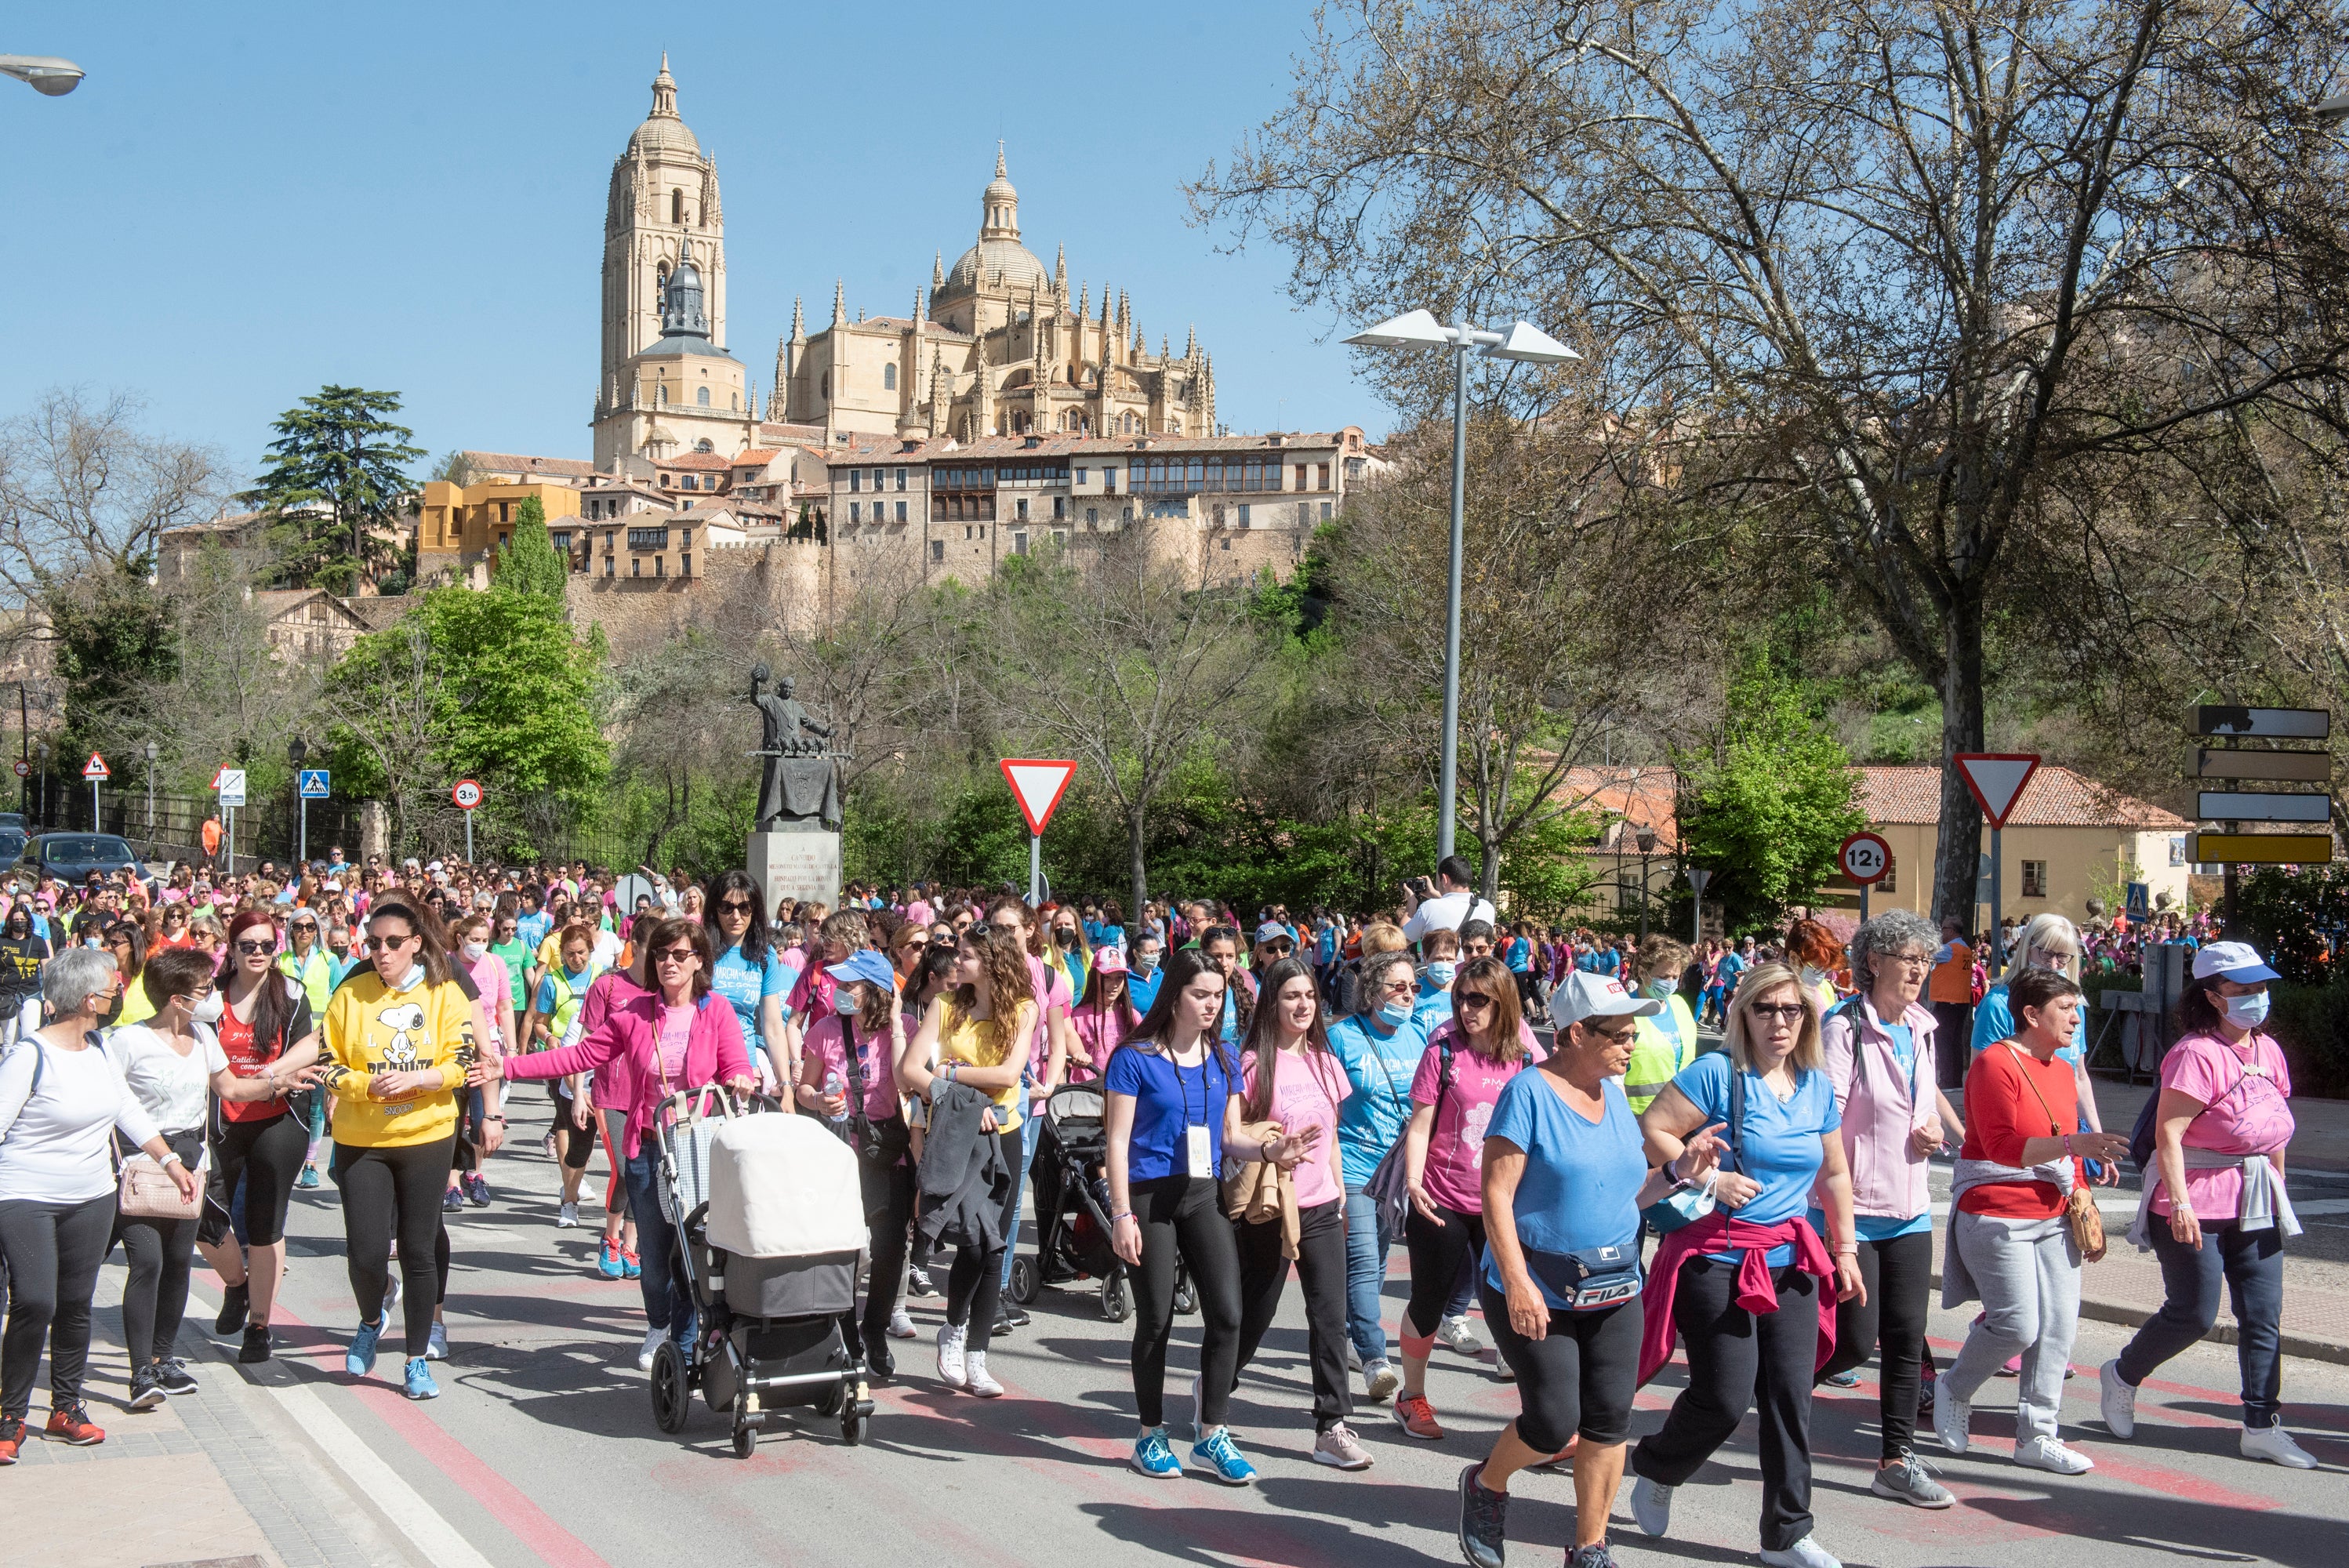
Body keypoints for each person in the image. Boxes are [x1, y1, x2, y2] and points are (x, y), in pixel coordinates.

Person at [1459, 972, 1730, 1568]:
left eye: (1636, 1033)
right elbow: (1495, 1197)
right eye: (1621, 1034)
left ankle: (1589, 1548)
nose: (1632, 1044)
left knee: (1609, 1421)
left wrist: (1681, 1170)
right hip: (1539, 1286)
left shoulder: (1613, 1098)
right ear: (1576, 1032)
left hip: (1613, 1284)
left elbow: (1627, 1194)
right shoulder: (1528, 1094)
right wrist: (1519, 1284)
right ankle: (1487, 1485)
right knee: (1553, 1423)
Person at [1632, 965, 1862, 1568]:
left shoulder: (1814, 1085)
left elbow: (1834, 1173)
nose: (1779, 1021)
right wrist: (1710, 1173)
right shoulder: (1718, 1073)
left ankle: (1785, 1533)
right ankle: (1660, 1466)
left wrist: (1845, 1250)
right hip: (1717, 1259)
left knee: (1791, 1397)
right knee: (1724, 1399)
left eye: (1791, 1010)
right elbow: (1653, 1129)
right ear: (1743, 1014)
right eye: (1766, 1009)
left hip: (1791, 1261)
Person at [480, 916, 753, 1370]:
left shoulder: (717, 1011)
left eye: (680, 955)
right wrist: (509, 1067)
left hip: (698, 1149)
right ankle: (658, 1324)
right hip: (649, 1149)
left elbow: (735, 1066)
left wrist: (743, 1079)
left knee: (693, 1252)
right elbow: (579, 1055)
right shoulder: (636, 1015)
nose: (669, 962)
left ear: (699, 961)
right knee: (655, 1257)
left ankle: (683, 1349)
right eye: (662, 954)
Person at [2101, 941, 2315, 1468]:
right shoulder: (2195, 1054)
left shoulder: (2268, 1050)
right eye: (2243, 991)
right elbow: (2168, 1133)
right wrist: (2177, 1204)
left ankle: (2261, 1425)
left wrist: (2280, 1190)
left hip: (2255, 1200)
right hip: (2196, 1197)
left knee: (2263, 1315)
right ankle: (2122, 1374)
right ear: (2214, 997)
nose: (2257, 999)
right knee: (2193, 1314)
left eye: (2261, 988)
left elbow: (2273, 1129)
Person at [0, 949, 199, 1458]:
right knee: (36, 1301)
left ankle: (66, 1407)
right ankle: (10, 1415)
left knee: (75, 1304)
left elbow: (128, 1110)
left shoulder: (101, 1049)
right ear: (89, 998)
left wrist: (169, 1161)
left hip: (91, 1196)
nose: (117, 995)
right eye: (111, 989)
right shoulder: (31, 1056)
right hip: (26, 1197)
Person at [1935, 965, 2129, 1473]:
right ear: (2030, 1013)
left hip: (2054, 1215)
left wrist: (2082, 1198)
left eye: (2077, 1007)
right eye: (2065, 1007)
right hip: (1997, 1213)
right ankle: (1953, 1389)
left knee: (2059, 1327)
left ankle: (2037, 1436)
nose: (2076, 1016)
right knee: (2018, 1324)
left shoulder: (2063, 1070)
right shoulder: (1994, 1064)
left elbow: (2068, 1155)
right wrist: (2074, 1145)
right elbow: (1999, 1147)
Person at [1812, 909, 1968, 1507]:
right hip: (1851, 1211)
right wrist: (1833, 1210)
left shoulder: (1923, 1028)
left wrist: (1930, 1128)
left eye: (1925, 961)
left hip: (1908, 1209)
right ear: (1873, 962)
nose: (1918, 971)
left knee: (1906, 1339)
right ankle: (1776, 1388)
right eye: (1908, 959)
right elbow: (1824, 1122)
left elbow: (1921, 1105)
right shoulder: (1843, 1029)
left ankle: (1896, 1459)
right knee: (1853, 1342)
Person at [110, 946, 306, 1403]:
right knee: (147, 1263)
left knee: (178, 1264)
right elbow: (111, 1106)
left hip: (191, 1161)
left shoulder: (201, 1038)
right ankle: (141, 1372)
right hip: (141, 1163)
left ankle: (163, 1359)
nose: (212, 995)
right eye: (203, 989)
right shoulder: (128, 1042)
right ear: (177, 999)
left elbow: (232, 1087)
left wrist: (278, 1083)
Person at [314, 897, 480, 1400]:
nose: (381, 952)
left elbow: (463, 1061)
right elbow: (328, 1061)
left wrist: (424, 1077)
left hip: (427, 1137)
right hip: (361, 1140)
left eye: (392, 943)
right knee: (366, 1252)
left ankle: (415, 1359)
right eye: (374, 943)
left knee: (418, 1247)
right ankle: (371, 1317)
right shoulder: (352, 992)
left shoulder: (444, 992)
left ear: (415, 944)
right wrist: (367, 1086)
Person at [1102, 948, 1254, 1483]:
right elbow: (1117, 1143)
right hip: (1149, 1196)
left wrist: (1272, 1152)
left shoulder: (1224, 1057)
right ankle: (1149, 1435)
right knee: (1157, 1319)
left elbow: (1233, 1137)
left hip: (1202, 1191)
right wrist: (1121, 1213)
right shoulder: (1135, 1056)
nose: (1211, 1004)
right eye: (1200, 994)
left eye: (1218, 994)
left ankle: (1212, 1432)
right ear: (1175, 995)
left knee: (1229, 1315)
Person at [1223, 956, 1371, 1469]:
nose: (1303, 1004)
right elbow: (1231, 1137)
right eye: (1291, 996)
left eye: (1308, 995)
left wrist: (1339, 1188)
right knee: (1254, 1314)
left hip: (1322, 1206)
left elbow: (1331, 1134)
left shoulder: (1326, 1063)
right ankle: (1216, 1383)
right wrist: (1270, 1149)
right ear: (1272, 1002)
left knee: (1330, 1317)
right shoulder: (1251, 1063)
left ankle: (1332, 1427)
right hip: (1269, 1206)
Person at [1392, 954, 1542, 1442]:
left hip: (1503, 1204)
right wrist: (1413, 1182)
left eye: (1479, 999)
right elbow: (1420, 1125)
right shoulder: (1443, 1052)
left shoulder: (1525, 1058)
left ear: (1504, 1003)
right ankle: (1411, 1396)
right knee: (1429, 1300)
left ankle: (1543, 1416)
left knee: (1514, 1303)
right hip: (1442, 1197)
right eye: (1461, 998)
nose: (1466, 1007)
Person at [897, 924, 1034, 1397]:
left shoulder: (1024, 1009)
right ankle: (953, 1330)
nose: (958, 962)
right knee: (973, 1242)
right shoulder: (944, 1006)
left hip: (1008, 1132)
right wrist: (961, 1097)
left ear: (994, 961)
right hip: (959, 1134)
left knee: (994, 1245)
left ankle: (977, 1356)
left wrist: (951, 1072)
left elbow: (1010, 1073)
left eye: (969, 955)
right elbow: (910, 1070)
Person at [199, 909, 325, 1365]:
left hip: (277, 1120)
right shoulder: (209, 998)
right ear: (230, 949)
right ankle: (236, 1284)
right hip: (222, 1121)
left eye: (267, 946)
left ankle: (259, 1323)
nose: (258, 954)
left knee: (265, 1225)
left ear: (277, 949)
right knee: (204, 1218)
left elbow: (312, 1043)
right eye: (247, 945)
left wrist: (271, 1075)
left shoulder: (291, 993)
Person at [1325, 948, 1427, 1403]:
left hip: (1401, 1172)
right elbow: (1325, 1107)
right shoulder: (1343, 1037)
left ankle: (1351, 1333)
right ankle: (1374, 1359)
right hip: (1356, 1167)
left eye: (1413, 988)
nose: (1407, 996)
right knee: (1365, 1260)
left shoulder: (1420, 1035)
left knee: (1379, 1259)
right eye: (1397, 987)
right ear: (1371, 992)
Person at [1970, 913, 2111, 1173]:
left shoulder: (2074, 1007)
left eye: (2063, 957)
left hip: (2067, 1135)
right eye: (2046, 954)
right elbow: (1981, 1077)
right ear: (2027, 949)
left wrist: (2097, 1139)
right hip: (2020, 1141)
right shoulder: (1998, 1005)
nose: (2054, 965)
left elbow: (2079, 1076)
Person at [527, 924, 605, 1227]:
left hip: (598, 1057)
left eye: (582, 953)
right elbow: (540, 1023)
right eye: (570, 954)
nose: (577, 959)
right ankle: (568, 1181)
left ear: (591, 950)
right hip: (563, 1058)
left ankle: (573, 1183)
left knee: (587, 1131)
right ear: (561, 955)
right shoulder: (552, 981)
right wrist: (550, 1039)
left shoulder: (602, 976)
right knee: (564, 1120)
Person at [703, 870, 792, 1092]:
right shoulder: (699, 950)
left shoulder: (765, 956)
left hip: (746, 1071)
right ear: (715, 908)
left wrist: (786, 1085)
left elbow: (772, 1026)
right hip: (702, 1069)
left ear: (754, 910)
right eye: (727, 907)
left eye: (744, 908)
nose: (736, 916)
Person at [1621, 935, 1699, 1116]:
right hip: (1638, 1116)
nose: (1670, 983)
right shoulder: (1625, 1011)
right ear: (1642, 972)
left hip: (1682, 1112)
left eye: (1675, 976)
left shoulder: (1679, 1004)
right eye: (1663, 976)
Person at [1067, 946, 1136, 1080]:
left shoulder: (1132, 1015)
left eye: (1119, 978)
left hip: (1120, 1090)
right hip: (1086, 1094)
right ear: (1095, 977)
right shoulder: (1077, 1017)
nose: (1114, 984)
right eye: (1107, 978)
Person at [1400, 855, 1497, 944]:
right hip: (1478, 964)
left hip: (1443, 964)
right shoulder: (1487, 907)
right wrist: (1435, 894)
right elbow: (1457, 906)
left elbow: (1402, 939)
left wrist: (1412, 902)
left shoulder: (1429, 907)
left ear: (1445, 879)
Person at [1927, 917, 1974, 1094]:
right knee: (1955, 1041)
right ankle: (1954, 1080)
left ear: (1952, 931)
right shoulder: (1965, 949)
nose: (1941, 932)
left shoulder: (1949, 949)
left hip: (1948, 1000)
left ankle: (1947, 1080)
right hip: (1960, 1001)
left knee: (1943, 1041)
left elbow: (1928, 952)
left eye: (1943, 928)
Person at [0, 906, 46, 1047]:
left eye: (22, 920)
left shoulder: (38, 942)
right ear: (10, 922)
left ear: (28, 921)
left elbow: (46, 968)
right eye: (16, 920)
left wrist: (49, 996)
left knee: (29, 1036)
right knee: (9, 1040)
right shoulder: (2, 941)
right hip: (6, 994)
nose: (19, 923)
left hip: (31, 992)